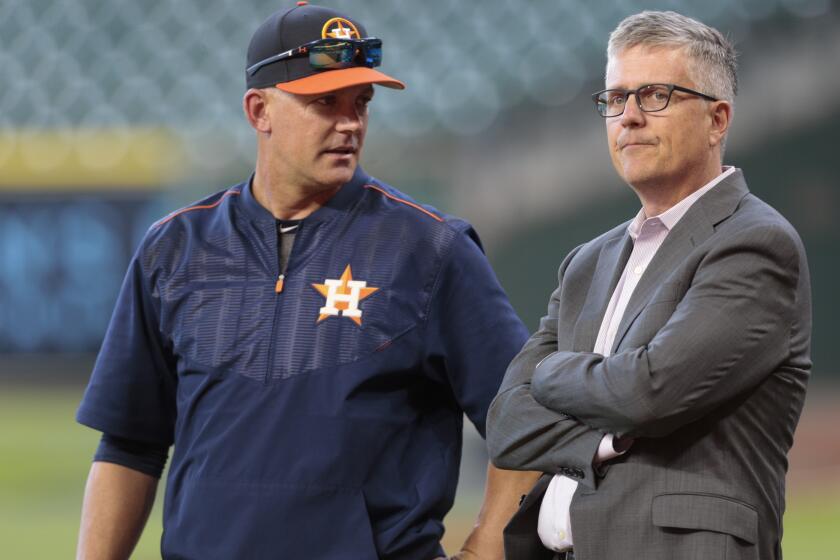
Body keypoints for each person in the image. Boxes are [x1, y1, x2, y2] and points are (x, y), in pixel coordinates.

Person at [75, 3, 539, 559]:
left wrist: (487, 547)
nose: (350, 123)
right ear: (259, 110)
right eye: (325, 103)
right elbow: (130, 444)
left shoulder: (430, 248)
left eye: (361, 103)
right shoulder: (174, 249)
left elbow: (527, 420)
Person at [486, 10, 811, 560]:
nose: (629, 117)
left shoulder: (755, 244)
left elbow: (648, 391)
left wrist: (549, 372)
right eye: (615, 99)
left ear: (717, 119)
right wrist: (604, 439)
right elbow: (506, 425)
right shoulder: (586, 262)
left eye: (655, 95)